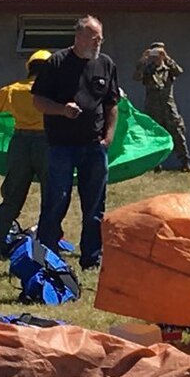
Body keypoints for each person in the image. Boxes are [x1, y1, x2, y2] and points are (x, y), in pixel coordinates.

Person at [32, 15, 119, 271]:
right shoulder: (57, 62)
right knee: (56, 199)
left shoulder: (106, 64)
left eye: (101, 37)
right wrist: (61, 109)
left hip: (94, 146)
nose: (99, 42)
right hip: (61, 146)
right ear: (78, 37)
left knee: (95, 203)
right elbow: (38, 101)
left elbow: (112, 104)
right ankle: (46, 256)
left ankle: (91, 258)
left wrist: (108, 136)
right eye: (94, 37)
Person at [0, 50, 53, 259]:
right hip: (48, 145)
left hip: (20, 145)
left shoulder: (13, 91)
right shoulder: (55, 90)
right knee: (51, 198)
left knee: (12, 196)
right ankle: (48, 244)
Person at [134, 42, 190, 172]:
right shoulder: (147, 69)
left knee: (178, 133)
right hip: (153, 107)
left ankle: (185, 163)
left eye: (159, 53)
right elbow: (136, 77)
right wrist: (142, 61)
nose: (156, 57)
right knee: (154, 136)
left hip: (168, 107)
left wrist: (167, 58)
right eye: (154, 54)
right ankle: (156, 165)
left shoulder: (169, 68)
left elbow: (179, 71)